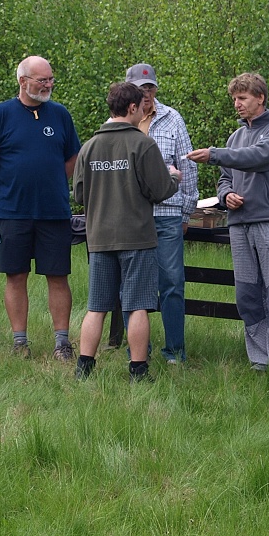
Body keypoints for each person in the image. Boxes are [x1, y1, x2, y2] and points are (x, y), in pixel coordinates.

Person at [187, 72, 269, 373]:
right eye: (234, 99)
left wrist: (214, 155)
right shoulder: (234, 137)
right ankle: (259, 363)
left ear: (260, 98)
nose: (237, 104)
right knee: (247, 296)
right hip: (239, 226)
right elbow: (226, 177)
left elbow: (258, 156)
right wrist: (227, 195)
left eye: (243, 98)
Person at [0, 55, 82, 362]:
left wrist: (50, 181)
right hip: (14, 211)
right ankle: (19, 342)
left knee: (58, 275)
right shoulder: (1, 114)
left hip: (54, 212)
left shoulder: (60, 115)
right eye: (42, 80)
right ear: (23, 81)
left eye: (50, 80)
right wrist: (8, 186)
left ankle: (62, 343)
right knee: (15, 274)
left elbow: (73, 157)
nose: (48, 85)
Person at [73, 82, 182, 382]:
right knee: (137, 306)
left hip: (99, 238)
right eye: (142, 107)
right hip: (136, 236)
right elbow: (159, 190)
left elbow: (80, 194)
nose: (144, 111)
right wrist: (173, 178)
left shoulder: (90, 146)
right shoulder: (142, 144)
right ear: (132, 108)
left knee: (97, 306)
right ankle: (138, 370)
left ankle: (84, 367)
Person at [125, 62, 198, 364]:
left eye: (150, 88)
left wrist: (186, 211)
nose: (146, 94)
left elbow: (188, 166)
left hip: (168, 214)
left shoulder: (172, 118)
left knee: (172, 282)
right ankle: (138, 351)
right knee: (133, 285)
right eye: (140, 89)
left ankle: (175, 351)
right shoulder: (120, 120)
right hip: (132, 216)